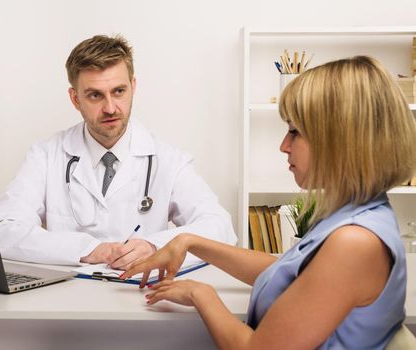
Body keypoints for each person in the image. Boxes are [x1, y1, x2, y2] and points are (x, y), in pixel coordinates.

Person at [122, 56, 416, 349]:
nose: (283, 146)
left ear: (340, 140)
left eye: (295, 132)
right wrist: (190, 241)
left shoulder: (354, 242)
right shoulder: (356, 212)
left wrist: (201, 294)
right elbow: (287, 272)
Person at [0, 34, 237, 270]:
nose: (110, 108)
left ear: (133, 86)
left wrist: (155, 246)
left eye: (119, 91)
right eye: (95, 95)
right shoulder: (46, 156)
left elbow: (220, 228)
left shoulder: (169, 160)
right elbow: (3, 229)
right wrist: (88, 249)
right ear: (75, 98)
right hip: (65, 300)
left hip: (143, 299)